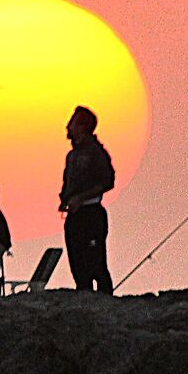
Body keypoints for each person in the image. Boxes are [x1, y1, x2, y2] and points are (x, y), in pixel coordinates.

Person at [60, 105, 115, 293]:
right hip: (74, 216)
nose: (68, 127)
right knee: (78, 265)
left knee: (96, 264)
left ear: (82, 126)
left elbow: (107, 181)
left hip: (91, 215)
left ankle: (105, 302)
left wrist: (81, 197)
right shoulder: (72, 155)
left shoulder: (95, 153)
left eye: (72, 123)